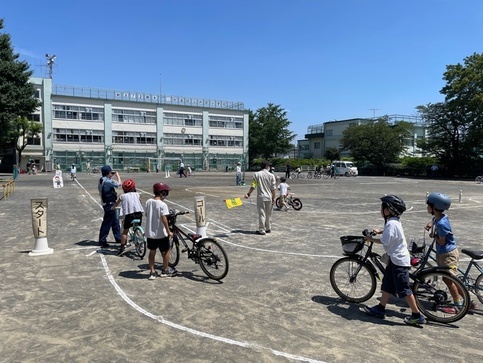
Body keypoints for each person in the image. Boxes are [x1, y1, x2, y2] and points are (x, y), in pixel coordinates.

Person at [364, 195, 426, 326]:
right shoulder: (394, 221)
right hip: (394, 259)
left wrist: (370, 239)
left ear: (388, 210)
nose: (381, 210)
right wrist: (380, 231)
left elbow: (385, 241)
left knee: (404, 289)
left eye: (383, 207)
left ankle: (417, 315)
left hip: (399, 261)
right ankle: (380, 308)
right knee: (387, 284)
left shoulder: (391, 223)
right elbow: (390, 233)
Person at [424, 192, 472, 312]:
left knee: (449, 280)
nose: (427, 207)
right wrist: (430, 224)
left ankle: (458, 306)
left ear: (434, 207)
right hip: (443, 253)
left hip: (447, 254)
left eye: (428, 205)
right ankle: (467, 302)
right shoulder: (440, 217)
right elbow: (434, 219)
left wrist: (433, 235)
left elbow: (441, 241)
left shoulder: (441, 224)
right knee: (451, 279)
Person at [145, 182, 177, 279]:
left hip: (150, 233)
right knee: (166, 251)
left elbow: (147, 215)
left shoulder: (148, 202)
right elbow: (164, 219)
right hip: (160, 233)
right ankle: (165, 270)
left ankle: (152, 271)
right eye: (165, 193)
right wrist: (168, 231)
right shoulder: (163, 205)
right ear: (162, 193)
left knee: (152, 252)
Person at [112, 179, 144, 256]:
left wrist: (112, 208)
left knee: (124, 232)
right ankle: (139, 238)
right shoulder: (137, 194)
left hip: (129, 215)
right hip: (139, 214)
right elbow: (140, 202)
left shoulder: (122, 196)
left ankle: (122, 248)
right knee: (137, 226)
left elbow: (116, 204)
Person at [244, 160, 277, 235]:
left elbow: (253, 185)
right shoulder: (271, 175)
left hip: (261, 197)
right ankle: (268, 228)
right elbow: (273, 189)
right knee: (268, 213)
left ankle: (262, 230)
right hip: (269, 196)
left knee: (262, 213)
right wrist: (274, 198)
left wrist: (248, 194)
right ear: (267, 166)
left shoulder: (257, 174)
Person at [98, 165, 122, 248]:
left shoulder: (102, 179)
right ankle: (102, 240)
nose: (111, 173)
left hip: (109, 203)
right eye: (110, 172)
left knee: (115, 221)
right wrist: (117, 176)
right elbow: (119, 184)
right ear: (108, 173)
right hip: (109, 204)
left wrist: (111, 175)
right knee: (107, 223)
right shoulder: (107, 181)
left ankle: (118, 238)